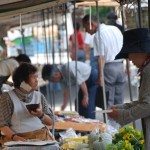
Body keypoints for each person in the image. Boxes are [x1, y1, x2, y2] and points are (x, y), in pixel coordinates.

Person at [108, 28, 150, 150]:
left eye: (129, 53)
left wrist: (122, 114)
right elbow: (145, 101)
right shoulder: (146, 68)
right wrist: (121, 108)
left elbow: (147, 105)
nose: (129, 59)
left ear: (140, 52)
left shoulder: (148, 70)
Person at [0, 63, 54, 145]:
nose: (37, 80)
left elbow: (51, 122)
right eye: (33, 77)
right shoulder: (7, 97)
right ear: (22, 81)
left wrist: (41, 115)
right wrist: (15, 137)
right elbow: (3, 125)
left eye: (37, 77)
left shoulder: (39, 96)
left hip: (41, 137)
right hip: (18, 139)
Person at [82, 14, 126, 108]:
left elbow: (101, 57)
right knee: (119, 100)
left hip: (109, 68)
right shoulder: (115, 29)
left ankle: (110, 122)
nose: (86, 31)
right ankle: (120, 122)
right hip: (120, 66)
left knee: (108, 101)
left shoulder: (98, 35)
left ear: (90, 24)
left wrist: (100, 76)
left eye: (85, 27)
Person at [78, 32, 99, 119]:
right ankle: (90, 120)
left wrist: (85, 95)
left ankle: (88, 121)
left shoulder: (90, 35)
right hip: (93, 71)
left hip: (90, 72)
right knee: (90, 97)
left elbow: (86, 45)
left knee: (86, 97)